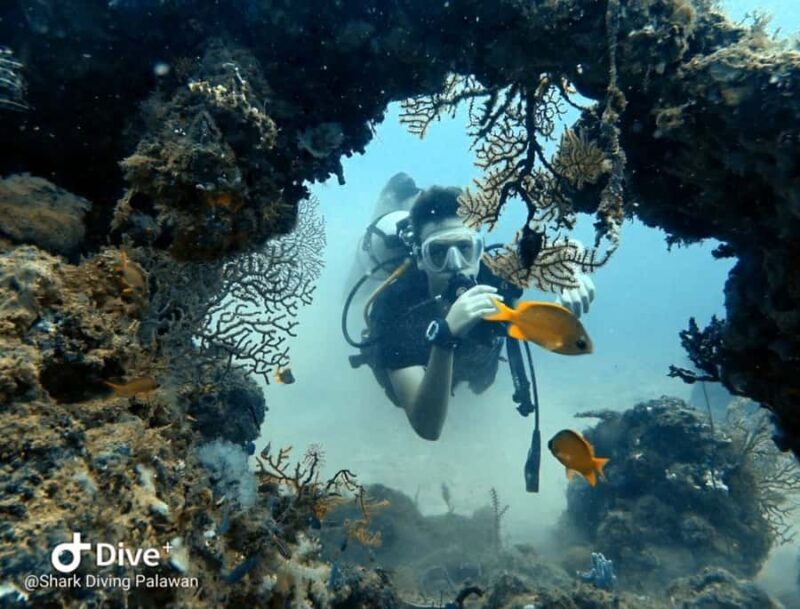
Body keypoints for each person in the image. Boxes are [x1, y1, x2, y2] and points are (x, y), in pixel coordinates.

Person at [362, 180, 595, 441]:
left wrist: (571, 272)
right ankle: (389, 210)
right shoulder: (396, 308)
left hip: (469, 367)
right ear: (420, 258)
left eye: (464, 248)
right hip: (418, 358)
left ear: (479, 250)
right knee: (362, 279)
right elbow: (427, 427)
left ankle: (411, 203)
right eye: (437, 252)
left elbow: (563, 247)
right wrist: (445, 336)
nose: (455, 265)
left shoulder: (495, 271)